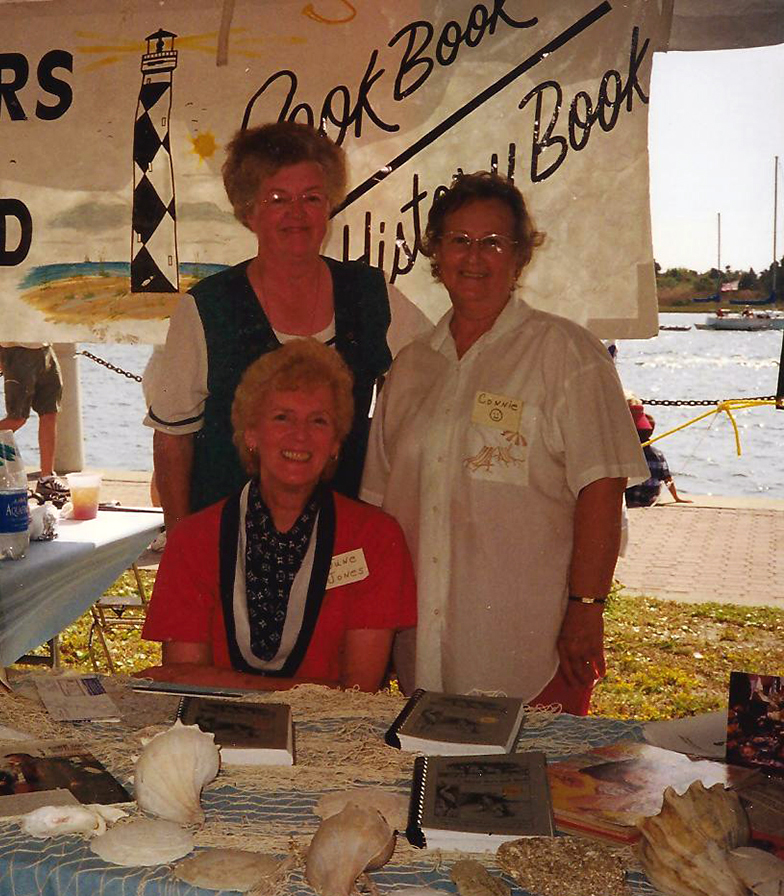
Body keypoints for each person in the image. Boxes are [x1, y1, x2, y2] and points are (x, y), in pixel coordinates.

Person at [359, 171, 649, 714]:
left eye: (493, 242)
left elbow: (602, 489)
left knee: (538, 796)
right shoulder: (410, 367)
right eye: (459, 241)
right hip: (419, 648)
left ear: (519, 257)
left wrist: (587, 607)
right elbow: (378, 509)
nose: (474, 257)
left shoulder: (567, 354)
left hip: (533, 648)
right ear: (436, 254)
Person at [143, 121, 392, 534]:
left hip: (339, 539)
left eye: (311, 197)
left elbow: (425, 385)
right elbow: (172, 439)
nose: (297, 213)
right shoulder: (204, 309)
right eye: (278, 198)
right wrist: (183, 550)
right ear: (248, 210)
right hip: (229, 541)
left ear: (329, 204)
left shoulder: (370, 293)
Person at [138, 340, 416, 692]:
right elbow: (187, 690)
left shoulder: (376, 540)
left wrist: (225, 682)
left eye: (318, 421)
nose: (300, 435)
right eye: (282, 417)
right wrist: (308, 690)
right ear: (251, 433)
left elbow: (358, 691)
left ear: (335, 444)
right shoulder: (193, 540)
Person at [0, 342, 65, 494]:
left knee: (49, 414)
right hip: (17, 353)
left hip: (45, 349)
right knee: (17, 418)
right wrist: (3, 357)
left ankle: (47, 477)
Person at [624, 406, 691, 507]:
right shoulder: (657, 455)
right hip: (648, 499)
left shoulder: (626, 453)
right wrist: (676, 498)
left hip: (628, 497)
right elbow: (668, 479)